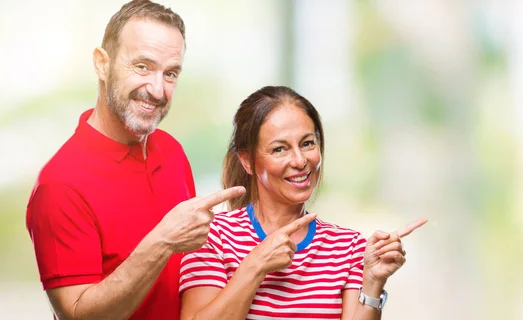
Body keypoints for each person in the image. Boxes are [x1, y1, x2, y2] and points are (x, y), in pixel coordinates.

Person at [25, 1, 245, 319]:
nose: (157, 89)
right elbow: (77, 315)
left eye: (170, 73)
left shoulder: (172, 151)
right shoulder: (59, 184)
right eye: (142, 67)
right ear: (102, 64)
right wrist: (163, 240)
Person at [179, 86, 427, 320]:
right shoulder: (212, 237)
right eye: (279, 149)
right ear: (247, 161)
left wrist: (373, 281)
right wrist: (255, 266)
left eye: (307, 143)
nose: (300, 161)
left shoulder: (349, 247)